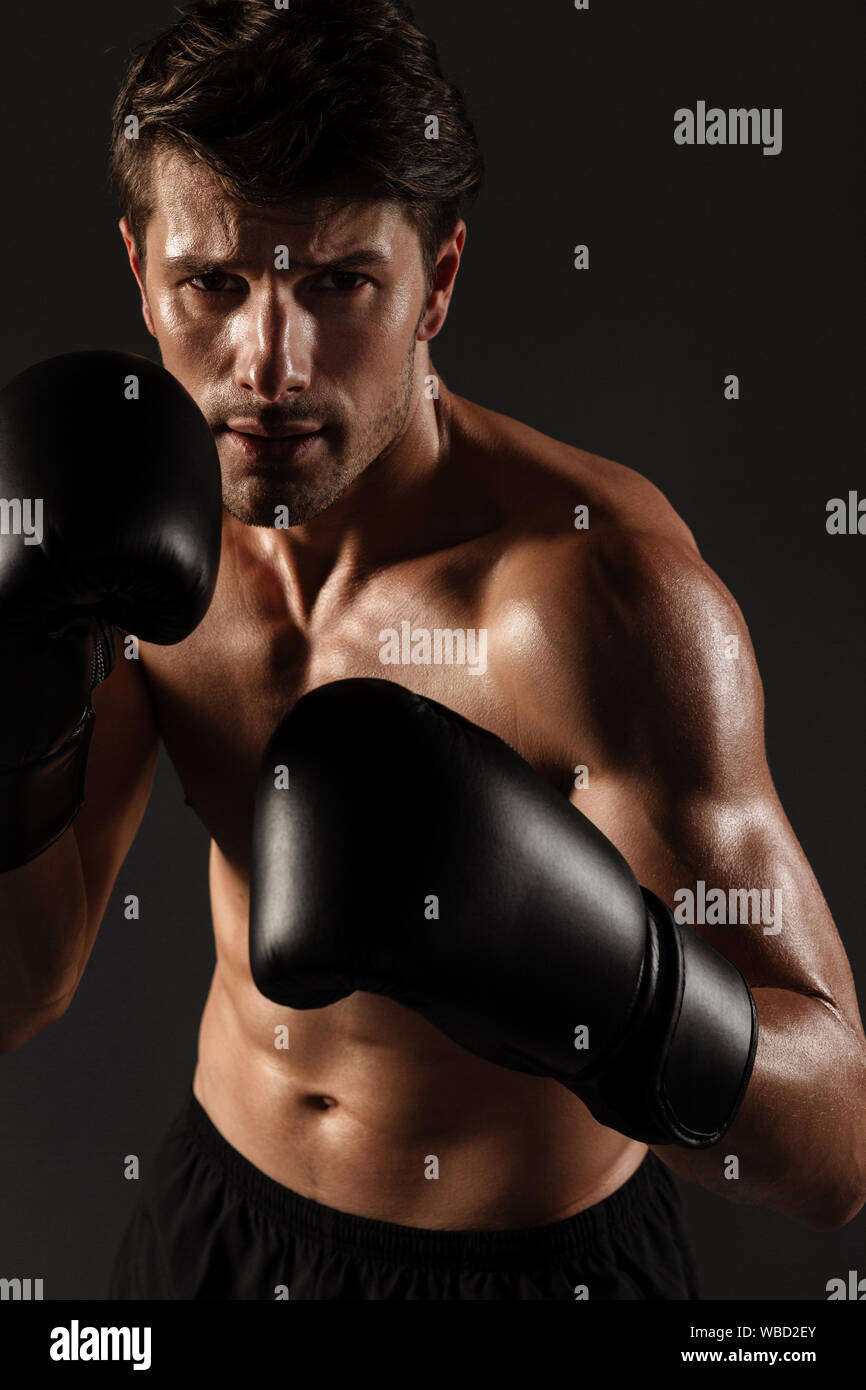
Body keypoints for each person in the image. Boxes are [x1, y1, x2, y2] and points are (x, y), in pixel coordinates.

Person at [1, 0, 864, 1301]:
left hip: (529, 1274)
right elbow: (25, 987)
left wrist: (623, 997)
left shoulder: (590, 598)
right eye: (213, 284)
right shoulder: (129, 512)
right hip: (216, 1229)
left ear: (438, 283)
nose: (268, 365)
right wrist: (9, 717)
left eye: (339, 282)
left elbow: (835, 1151)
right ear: (140, 269)